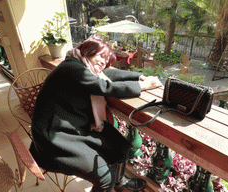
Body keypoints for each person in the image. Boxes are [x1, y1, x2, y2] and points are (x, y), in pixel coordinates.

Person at [29, 34, 162, 192]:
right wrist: (142, 86)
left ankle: (119, 183)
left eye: (106, 60)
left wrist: (139, 76)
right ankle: (112, 182)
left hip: (74, 126)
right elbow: (103, 86)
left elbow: (109, 74)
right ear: (87, 51)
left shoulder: (82, 67)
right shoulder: (71, 66)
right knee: (105, 178)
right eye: (101, 56)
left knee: (122, 148)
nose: (103, 62)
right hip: (55, 138)